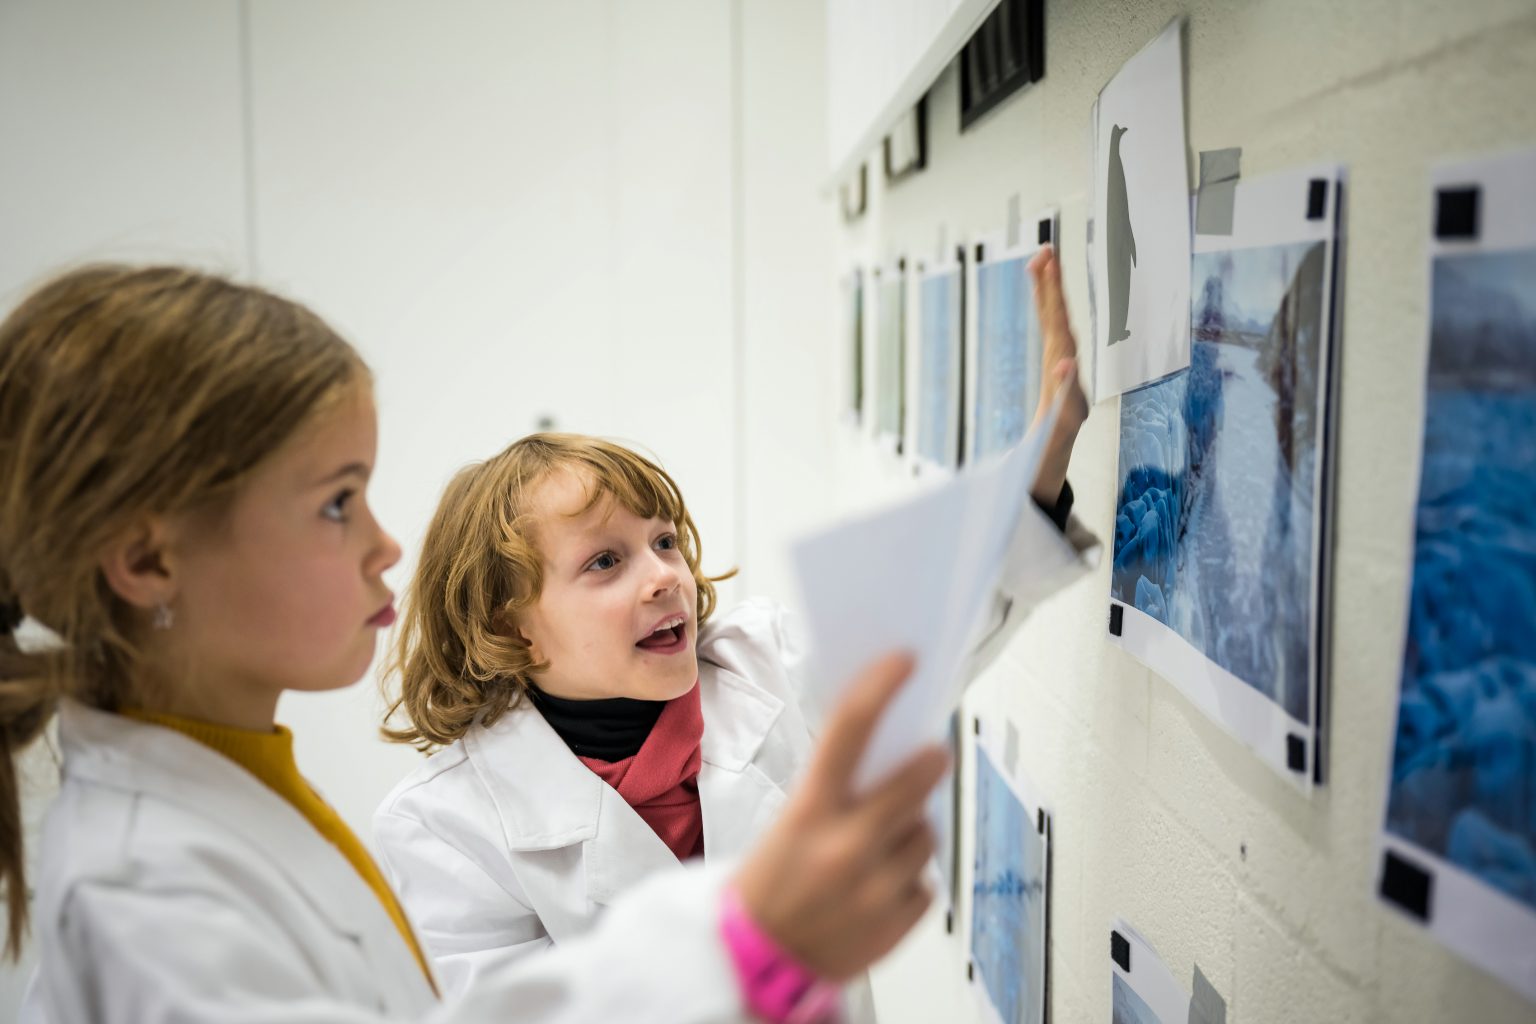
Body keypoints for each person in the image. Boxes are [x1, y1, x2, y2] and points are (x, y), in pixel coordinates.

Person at [0, 263, 946, 1024]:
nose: (385, 545)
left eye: (664, 543)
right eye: (337, 503)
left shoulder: (236, 794)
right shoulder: (150, 898)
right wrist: (749, 950)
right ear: (146, 561)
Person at [372, 246, 1100, 1014]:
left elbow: (942, 608)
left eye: (662, 541)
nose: (663, 576)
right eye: (605, 562)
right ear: (514, 632)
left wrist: (1043, 453)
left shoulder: (765, 667)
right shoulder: (444, 827)